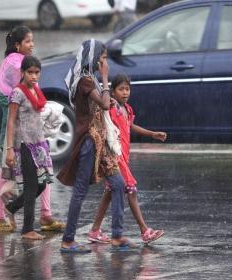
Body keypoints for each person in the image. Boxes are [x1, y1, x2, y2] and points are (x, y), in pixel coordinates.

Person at [0, 26, 64, 233]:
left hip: (31, 128)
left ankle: (44, 214)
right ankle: (1, 216)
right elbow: (20, 100)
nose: (32, 44)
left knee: (42, 169)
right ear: (17, 44)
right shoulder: (17, 64)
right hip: (19, 128)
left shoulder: (16, 61)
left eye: (33, 40)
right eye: (28, 41)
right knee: (9, 167)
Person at [58, 39, 130, 253]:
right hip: (89, 141)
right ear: (94, 58)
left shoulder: (90, 80)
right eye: (103, 58)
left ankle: (117, 235)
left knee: (118, 184)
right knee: (80, 191)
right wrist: (106, 78)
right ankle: (68, 240)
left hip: (102, 141)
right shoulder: (86, 81)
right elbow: (105, 104)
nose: (105, 62)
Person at [88, 74, 166, 244]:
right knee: (131, 189)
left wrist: (152, 134)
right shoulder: (112, 108)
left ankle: (94, 230)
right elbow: (104, 107)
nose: (125, 93)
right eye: (121, 89)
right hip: (115, 157)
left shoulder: (127, 109)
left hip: (124, 156)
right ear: (113, 92)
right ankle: (145, 231)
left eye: (127, 89)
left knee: (110, 192)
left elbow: (130, 126)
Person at [4, 55, 54, 240]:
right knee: (32, 185)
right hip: (23, 144)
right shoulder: (18, 93)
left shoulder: (36, 90)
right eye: (30, 72)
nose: (34, 76)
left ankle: (12, 207)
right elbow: (10, 122)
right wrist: (10, 148)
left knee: (41, 185)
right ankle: (27, 230)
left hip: (38, 143)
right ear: (22, 72)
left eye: (37, 72)